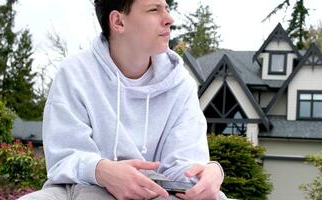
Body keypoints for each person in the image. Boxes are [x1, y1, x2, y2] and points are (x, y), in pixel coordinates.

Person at [20, 0, 227, 199]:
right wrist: (102, 171)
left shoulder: (181, 83)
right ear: (118, 22)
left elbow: (182, 165)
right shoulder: (75, 73)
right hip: (82, 186)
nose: (169, 19)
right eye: (154, 9)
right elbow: (64, 157)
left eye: (166, 8)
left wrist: (208, 174)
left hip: (158, 191)